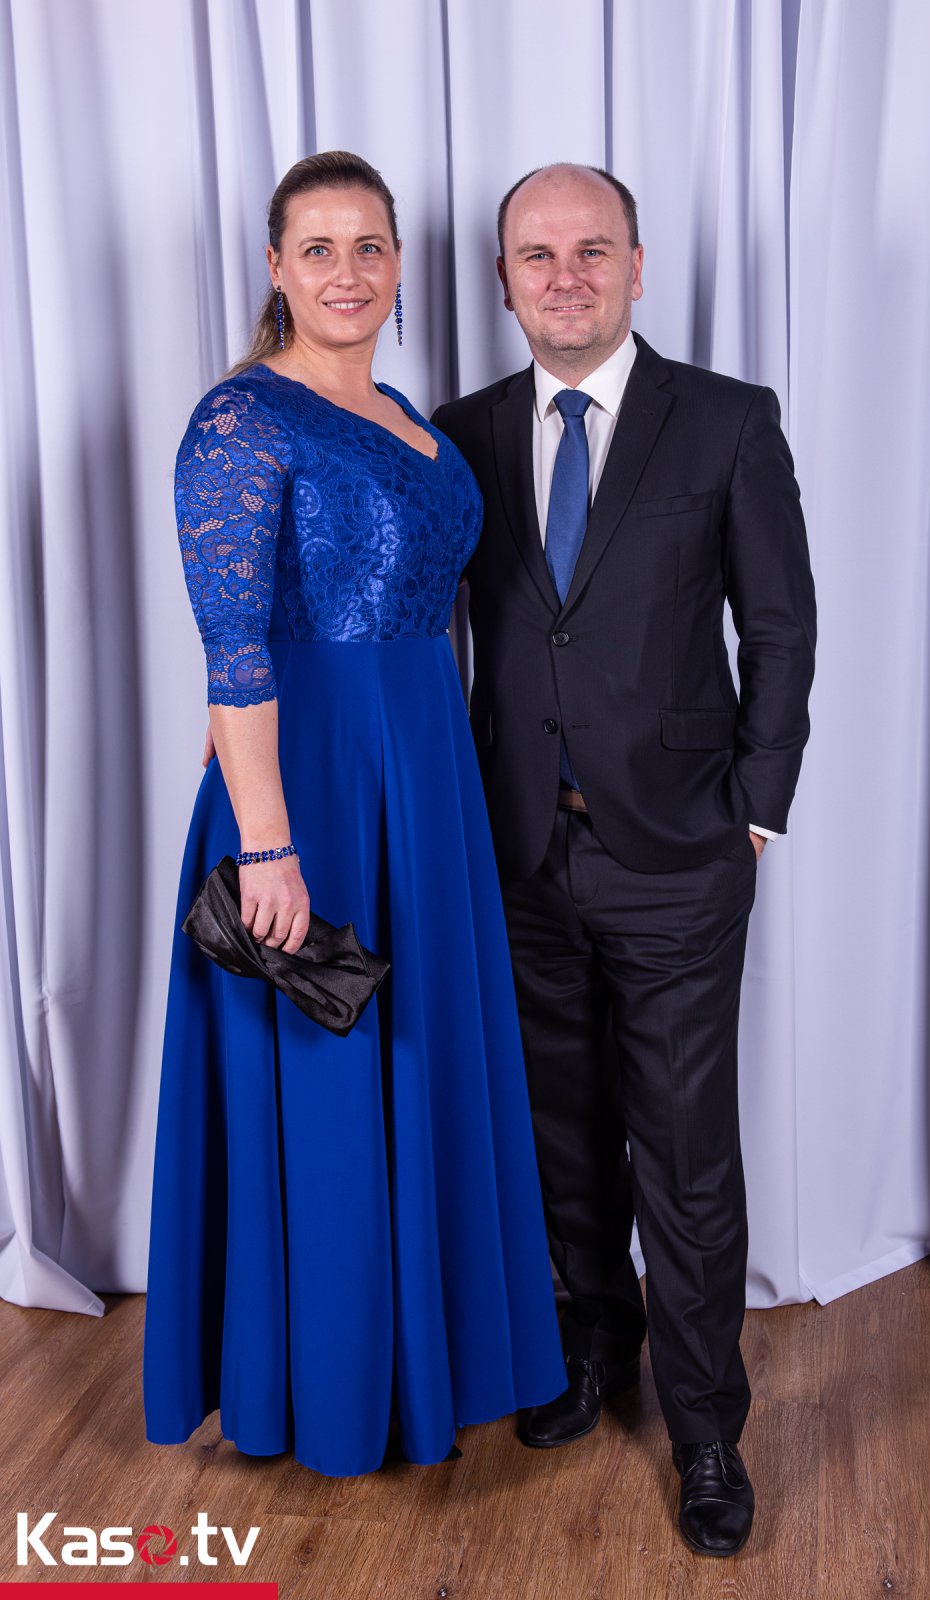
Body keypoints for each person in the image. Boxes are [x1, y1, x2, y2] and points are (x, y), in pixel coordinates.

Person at [142, 151, 566, 1478]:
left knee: (421, 1050)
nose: (347, 272)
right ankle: (328, 1391)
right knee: (330, 1073)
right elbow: (233, 651)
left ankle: (427, 1361)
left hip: (423, 776)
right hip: (309, 783)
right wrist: (267, 842)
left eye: (369, 246)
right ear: (276, 267)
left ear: (398, 266)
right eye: (317, 248)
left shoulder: (403, 414)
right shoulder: (238, 421)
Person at [431, 163, 816, 1556]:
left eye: (593, 250)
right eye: (538, 255)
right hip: (521, 853)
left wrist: (754, 809)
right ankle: (593, 1349)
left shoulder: (725, 420)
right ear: (504, 282)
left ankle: (707, 1427)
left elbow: (781, 627)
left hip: (679, 858)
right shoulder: (460, 437)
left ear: (638, 268)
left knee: (687, 1155)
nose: (567, 276)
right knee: (564, 1133)